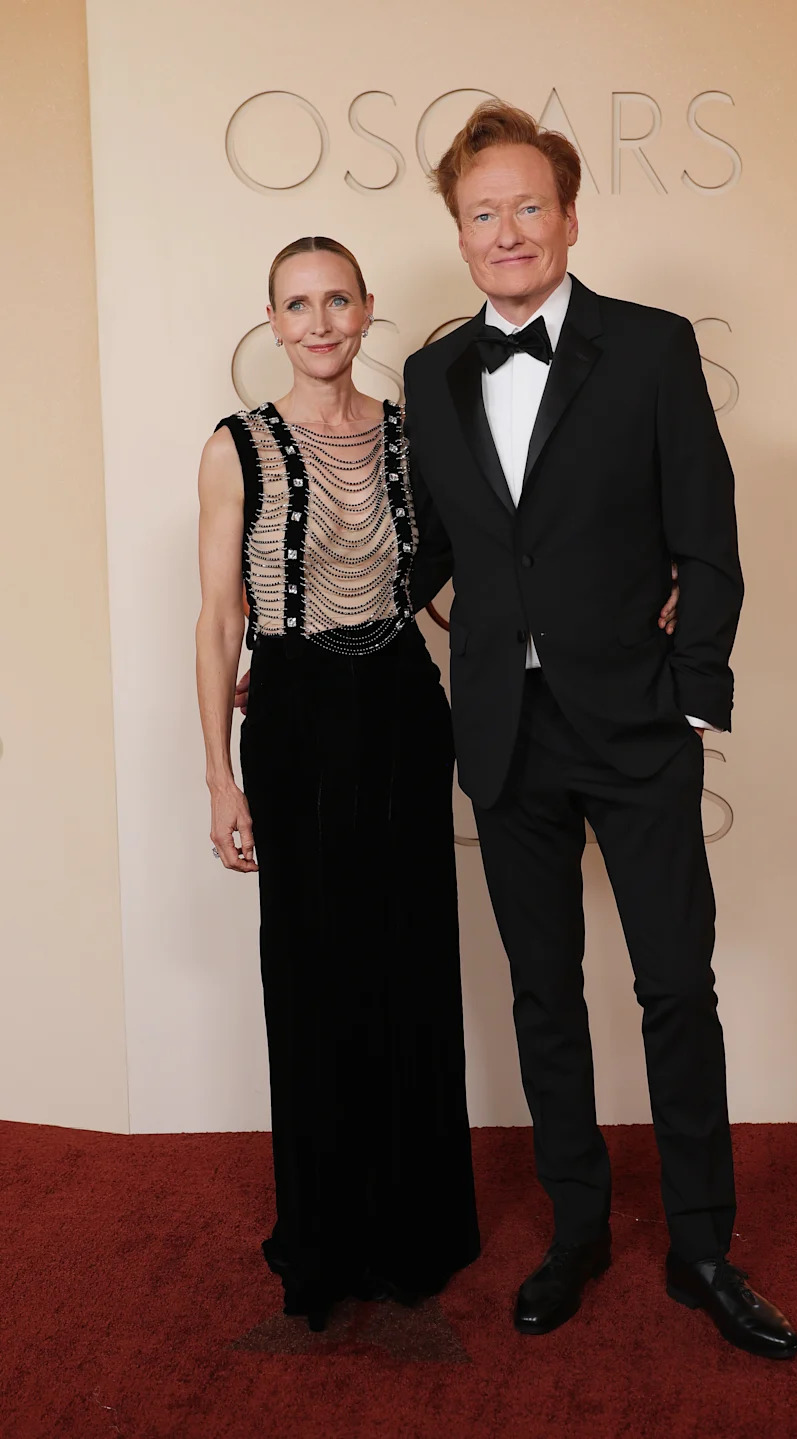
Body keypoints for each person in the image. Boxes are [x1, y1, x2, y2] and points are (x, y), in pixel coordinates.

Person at [399, 102, 797, 1359]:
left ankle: (703, 1246)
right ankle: (576, 1227)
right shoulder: (431, 375)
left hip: (634, 723)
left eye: (529, 205)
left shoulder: (652, 347)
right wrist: (303, 633)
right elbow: (439, 547)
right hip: (504, 728)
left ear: (570, 217)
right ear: (460, 234)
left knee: (675, 982)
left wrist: (691, 691)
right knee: (542, 992)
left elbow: (709, 540)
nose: (507, 230)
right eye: (483, 213)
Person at [195, 236, 479, 1330]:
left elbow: (469, 563)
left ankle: (416, 1229)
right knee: (313, 970)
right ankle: (325, 1236)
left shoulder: (415, 436)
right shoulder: (235, 447)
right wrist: (218, 776)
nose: (319, 323)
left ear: (367, 311)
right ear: (272, 320)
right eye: (297, 304)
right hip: (295, 717)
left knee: (412, 958)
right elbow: (220, 618)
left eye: (337, 300)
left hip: (403, 706)